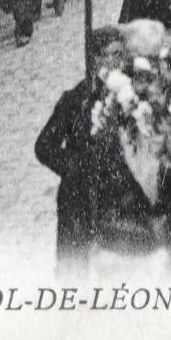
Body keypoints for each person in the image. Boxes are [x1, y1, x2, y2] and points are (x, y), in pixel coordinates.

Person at [34, 26, 127, 274]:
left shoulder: (130, 98)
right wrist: (75, 167)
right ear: (95, 59)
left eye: (121, 55)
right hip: (79, 199)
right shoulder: (75, 100)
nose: (118, 62)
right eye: (111, 54)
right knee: (76, 268)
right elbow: (44, 146)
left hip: (117, 197)